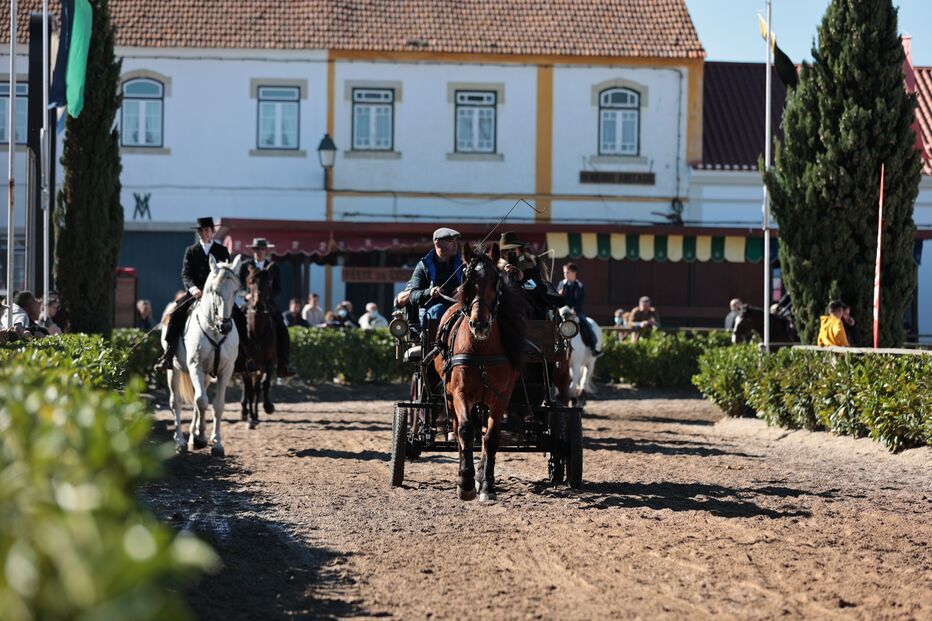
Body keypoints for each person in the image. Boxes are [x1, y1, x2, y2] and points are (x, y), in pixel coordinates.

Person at [154, 217, 252, 373]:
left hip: (219, 294)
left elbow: (227, 274)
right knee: (175, 316)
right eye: (201, 230)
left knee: (240, 317)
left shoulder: (221, 251)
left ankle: (245, 356)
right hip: (196, 292)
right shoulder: (191, 250)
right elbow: (186, 273)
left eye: (207, 230)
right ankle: (168, 356)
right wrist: (193, 289)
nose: (204, 233)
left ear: (212, 232)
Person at [239, 237, 293, 377]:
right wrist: (246, 295)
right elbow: (239, 287)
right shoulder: (245, 265)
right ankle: (235, 362)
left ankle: (283, 364)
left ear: (266, 250)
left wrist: (267, 297)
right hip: (249, 304)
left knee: (282, 328)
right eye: (257, 249)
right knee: (234, 325)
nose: (259, 252)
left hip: (268, 304)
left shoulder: (273, 267)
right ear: (253, 250)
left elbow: (278, 288)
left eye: (262, 249)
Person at [402, 227, 464, 330]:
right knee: (438, 309)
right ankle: (435, 346)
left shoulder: (462, 263)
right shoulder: (423, 266)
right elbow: (413, 296)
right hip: (434, 312)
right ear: (437, 243)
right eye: (450, 240)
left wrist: (464, 288)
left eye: (455, 240)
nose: (455, 244)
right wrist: (429, 292)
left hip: (460, 308)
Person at [498, 231, 564, 318]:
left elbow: (533, 287)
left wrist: (522, 278)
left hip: (533, 318)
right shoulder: (497, 271)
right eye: (506, 251)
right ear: (502, 253)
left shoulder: (531, 268)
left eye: (513, 249)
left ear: (519, 251)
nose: (509, 253)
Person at [557, 263, 600, 356]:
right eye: (564, 272)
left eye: (567, 272)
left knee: (586, 325)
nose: (565, 274)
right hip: (562, 311)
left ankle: (593, 348)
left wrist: (574, 310)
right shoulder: (561, 284)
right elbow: (557, 299)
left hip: (575, 312)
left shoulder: (579, 286)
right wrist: (558, 295)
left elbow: (580, 300)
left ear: (574, 273)